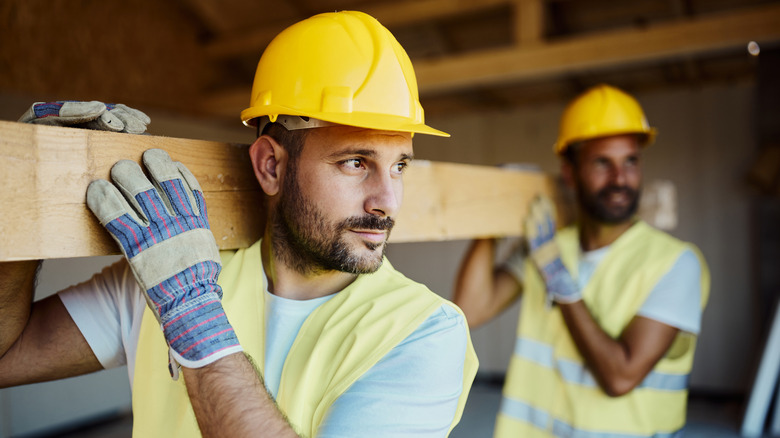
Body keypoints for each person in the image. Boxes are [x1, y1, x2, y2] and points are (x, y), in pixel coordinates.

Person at [0, 11, 478, 438]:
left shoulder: (424, 332)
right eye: (355, 163)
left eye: (400, 165)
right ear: (271, 166)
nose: (386, 201)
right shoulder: (164, 274)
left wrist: (194, 321)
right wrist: (26, 200)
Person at [454, 84, 709, 437]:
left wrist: (558, 276)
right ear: (570, 173)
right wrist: (497, 214)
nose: (620, 179)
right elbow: (470, 308)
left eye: (630, 161)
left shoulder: (676, 264)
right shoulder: (547, 245)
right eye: (603, 163)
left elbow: (620, 377)